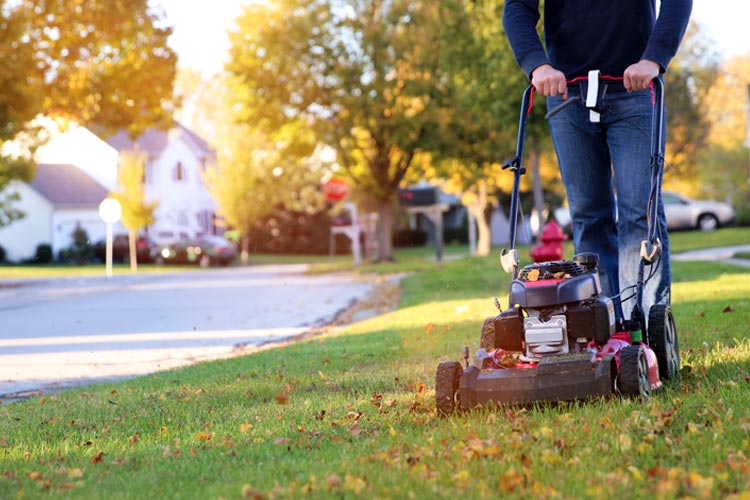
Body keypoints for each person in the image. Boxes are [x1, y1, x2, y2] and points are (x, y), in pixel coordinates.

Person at [503, 0, 692, 327]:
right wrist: (537, 66)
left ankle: (646, 331)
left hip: (635, 88)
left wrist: (654, 57)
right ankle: (603, 327)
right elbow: (518, 7)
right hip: (566, 95)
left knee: (639, 212)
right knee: (588, 216)